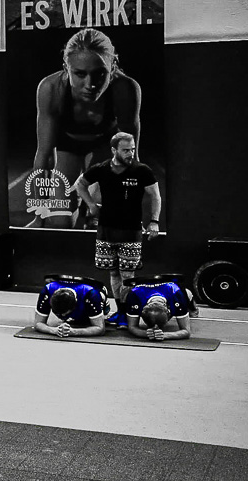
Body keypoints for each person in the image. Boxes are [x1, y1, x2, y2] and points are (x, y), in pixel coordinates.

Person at [28, 28, 142, 229]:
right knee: (60, 223)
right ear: (66, 67)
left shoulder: (125, 89)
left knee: (104, 215)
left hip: (105, 145)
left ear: (113, 66)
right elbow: (45, 157)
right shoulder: (51, 89)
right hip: (68, 145)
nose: (90, 84)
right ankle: (78, 207)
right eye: (80, 74)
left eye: (99, 74)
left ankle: (92, 211)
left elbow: (130, 157)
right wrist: (39, 216)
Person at [72, 131, 160, 325]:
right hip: (106, 230)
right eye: (126, 150)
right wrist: (92, 205)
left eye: (133, 149)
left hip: (131, 231)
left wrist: (154, 221)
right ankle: (120, 311)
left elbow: (155, 196)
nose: (130, 154)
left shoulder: (142, 170)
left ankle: (128, 312)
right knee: (113, 272)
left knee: (128, 275)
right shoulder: (101, 169)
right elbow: (79, 185)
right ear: (114, 150)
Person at [33, 276, 107, 337]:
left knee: (84, 321)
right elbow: (38, 323)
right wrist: (54, 330)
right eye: (57, 313)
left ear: (75, 305)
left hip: (95, 294)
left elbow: (100, 329)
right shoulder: (47, 290)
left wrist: (73, 332)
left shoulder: (91, 294)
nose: (61, 316)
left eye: (65, 313)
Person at [124, 278, 193, 342]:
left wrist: (165, 335)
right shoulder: (134, 295)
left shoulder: (176, 294)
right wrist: (146, 334)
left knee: (187, 293)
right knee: (125, 294)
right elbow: (132, 327)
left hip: (172, 291)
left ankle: (193, 308)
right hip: (142, 292)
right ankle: (120, 313)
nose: (156, 328)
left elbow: (187, 331)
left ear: (169, 311)